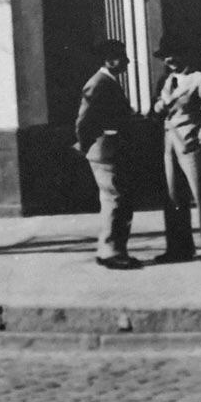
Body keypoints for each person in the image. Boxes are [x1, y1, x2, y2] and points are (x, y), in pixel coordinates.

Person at [150, 39, 201, 263]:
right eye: (166, 56)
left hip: (191, 144)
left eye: (174, 54)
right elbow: (157, 110)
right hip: (169, 143)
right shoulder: (166, 81)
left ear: (185, 54)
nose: (170, 60)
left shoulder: (200, 78)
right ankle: (179, 248)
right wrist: (158, 107)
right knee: (174, 197)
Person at [75, 39, 139, 270]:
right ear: (108, 60)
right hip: (106, 150)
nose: (127, 62)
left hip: (110, 149)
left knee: (113, 200)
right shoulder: (99, 83)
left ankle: (109, 249)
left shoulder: (106, 81)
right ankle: (112, 252)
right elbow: (84, 121)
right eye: (122, 57)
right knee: (116, 200)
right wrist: (87, 145)